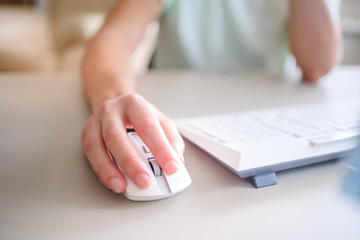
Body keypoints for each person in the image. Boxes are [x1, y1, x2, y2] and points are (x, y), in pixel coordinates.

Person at [80, 0, 343, 194]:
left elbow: (317, 65)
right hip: (172, 116)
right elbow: (110, 39)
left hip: (267, 117)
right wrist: (117, 97)